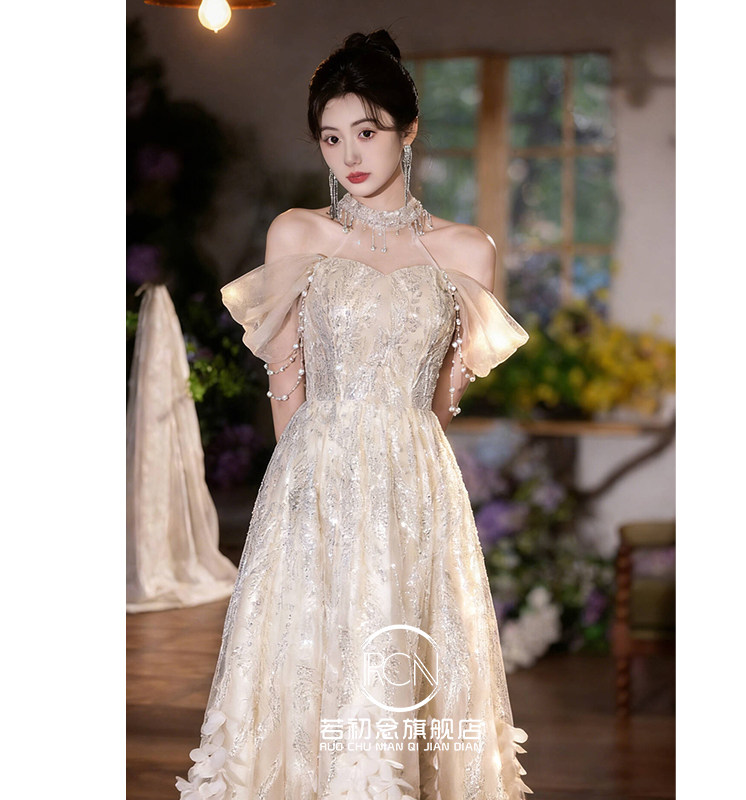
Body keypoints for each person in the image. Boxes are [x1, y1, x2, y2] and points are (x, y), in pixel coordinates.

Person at [176, 29, 533, 800]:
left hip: (416, 485)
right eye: (331, 137)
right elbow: (286, 384)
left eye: (367, 132)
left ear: (409, 129)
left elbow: (439, 402)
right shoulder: (299, 234)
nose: (349, 155)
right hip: (314, 474)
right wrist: (299, 499)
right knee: (313, 656)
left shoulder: (465, 252)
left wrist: (396, 471)